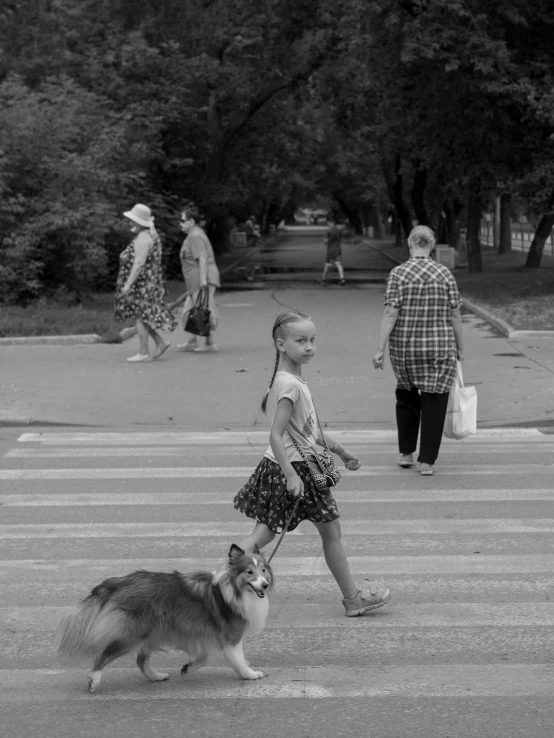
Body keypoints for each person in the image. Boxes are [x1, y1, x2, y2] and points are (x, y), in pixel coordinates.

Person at [234, 310, 392, 617]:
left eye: (312, 340)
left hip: (284, 467)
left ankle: (224, 585)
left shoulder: (288, 380)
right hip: (297, 470)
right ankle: (353, 598)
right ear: (281, 344)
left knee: (262, 534)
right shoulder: (291, 385)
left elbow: (310, 431)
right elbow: (276, 435)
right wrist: (292, 475)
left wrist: (341, 451)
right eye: (301, 340)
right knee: (331, 532)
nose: (309, 346)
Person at [372, 225, 465, 476]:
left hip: (405, 350)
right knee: (434, 401)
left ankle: (405, 453)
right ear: (432, 245)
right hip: (439, 350)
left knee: (407, 397)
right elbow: (455, 314)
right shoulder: (445, 274)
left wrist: (380, 349)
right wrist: (460, 348)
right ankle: (426, 462)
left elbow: (391, 312)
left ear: (410, 243)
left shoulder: (398, 274)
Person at [114, 203, 176, 363]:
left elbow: (139, 263)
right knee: (144, 317)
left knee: (141, 317)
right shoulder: (151, 234)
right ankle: (160, 343)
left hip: (142, 285)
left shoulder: (143, 238)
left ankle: (144, 353)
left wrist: (128, 284)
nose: (129, 223)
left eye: (131, 220)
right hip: (149, 283)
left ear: (139, 222)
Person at [177, 208, 221, 353]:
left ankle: (209, 343)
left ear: (191, 222)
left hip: (202, 279)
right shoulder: (192, 235)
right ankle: (192, 340)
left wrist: (203, 280)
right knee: (191, 309)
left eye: (183, 221)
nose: (180, 224)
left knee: (202, 310)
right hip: (195, 279)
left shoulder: (195, 236)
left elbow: (202, 257)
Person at [320, 213, 346, 286]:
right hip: (338, 249)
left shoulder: (328, 231)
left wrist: (326, 242)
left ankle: (323, 280)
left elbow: (325, 241)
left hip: (330, 250)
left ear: (329, 222)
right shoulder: (338, 230)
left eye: (327, 222)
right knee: (339, 264)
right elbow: (341, 239)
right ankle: (342, 279)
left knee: (327, 265)